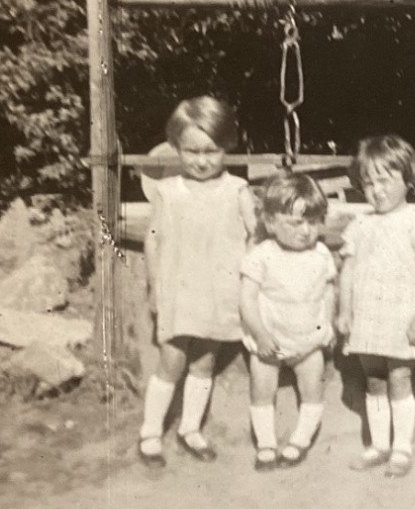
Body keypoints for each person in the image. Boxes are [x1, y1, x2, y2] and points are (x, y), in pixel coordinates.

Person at [139, 95, 256, 467]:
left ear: (227, 147)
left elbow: (255, 237)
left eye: (211, 151)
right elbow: (153, 240)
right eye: (191, 152)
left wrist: (250, 282)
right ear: (175, 148)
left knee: (204, 363)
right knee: (171, 362)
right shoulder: (168, 191)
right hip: (179, 292)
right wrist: (155, 289)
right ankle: (150, 433)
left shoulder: (237, 190)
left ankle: (190, 429)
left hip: (220, 293)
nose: (202, 161)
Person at [336, 135, 415, 478]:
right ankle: (379, 445)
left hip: (403, 316)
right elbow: (348, 271)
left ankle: (402, 448)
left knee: (399, 377)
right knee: (375, 380)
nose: (377, 190)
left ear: (407, 181)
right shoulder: (360, 225)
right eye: (369, 182)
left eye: (385, 180)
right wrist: (345, 311)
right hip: (369, 316)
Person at [240, 173, 337, 471]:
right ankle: (267, 443)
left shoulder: (321, 254)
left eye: (313, 221)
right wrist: (260, 334)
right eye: (295, 223)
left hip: (308, 342)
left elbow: (329, 291)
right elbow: (247, 300)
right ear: (270, 222)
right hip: (270, 340)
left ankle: (300, 440)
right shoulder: (262, 255)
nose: (306, 231)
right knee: (262, 387)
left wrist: (328, 325)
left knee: (313, 388)